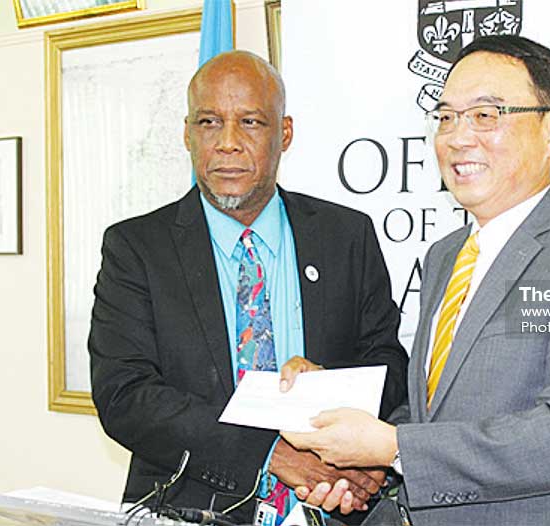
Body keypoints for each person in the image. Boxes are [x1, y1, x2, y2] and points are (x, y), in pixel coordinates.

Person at [282, 35, 550, 525]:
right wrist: (355, 454)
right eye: (445, 117)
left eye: (486, 115)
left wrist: (393, 447)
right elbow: (432, 416)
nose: (458, 137)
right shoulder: (445, 256)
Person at [88, 50, 408, 524]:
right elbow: (125, 395)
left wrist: (350, 442)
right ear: (187, 134)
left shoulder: (345, 235)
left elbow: (389, 365)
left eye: (252, 122)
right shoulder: (136, 248)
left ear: (285, 133)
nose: (228, 143)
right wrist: (268, 453)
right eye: (209, 122)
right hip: (186, 509)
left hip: (335, 506)